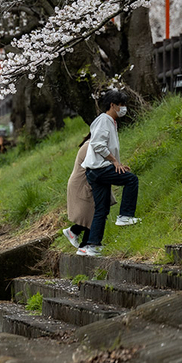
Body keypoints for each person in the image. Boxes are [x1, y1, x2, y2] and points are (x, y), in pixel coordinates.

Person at [78, 89, 140, 256]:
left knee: (102, 208)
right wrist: (114, 162)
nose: (123, 108)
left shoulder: (110, 121)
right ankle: (125, 215)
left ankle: (92, 245)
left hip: (95, 170)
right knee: (131, 180)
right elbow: (98, 144)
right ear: (112, 105)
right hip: (99, 169)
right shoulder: (104, 120)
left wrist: (117, 163)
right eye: (121, 105)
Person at [62, 133, 94, 248]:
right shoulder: (90, 146)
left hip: (84, 183)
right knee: (93, 214)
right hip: (81, 184)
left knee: (93, 213)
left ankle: (76, 234)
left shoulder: (91, 144)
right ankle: (84, 244)